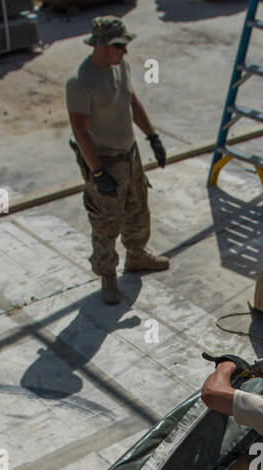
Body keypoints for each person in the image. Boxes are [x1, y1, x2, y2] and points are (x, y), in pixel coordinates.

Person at [65, 16, 169, 305]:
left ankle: (136, 255)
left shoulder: (120, 66)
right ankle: (107, 276)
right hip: (105, 160)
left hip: (129, 153)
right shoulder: (81, 81)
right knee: (106, 222)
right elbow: (80, 129)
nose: (125, 51)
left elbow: (131, 102)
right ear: (101, 45)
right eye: (119, 45)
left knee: (138, 206)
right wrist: (97, 172)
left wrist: (152, 136)